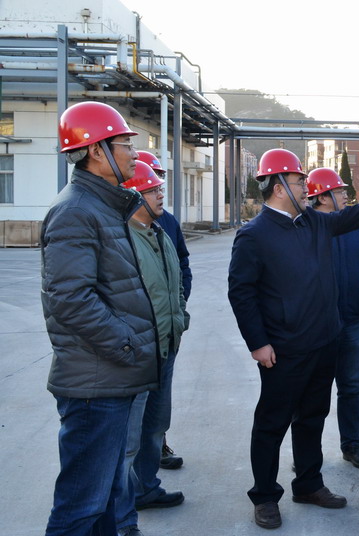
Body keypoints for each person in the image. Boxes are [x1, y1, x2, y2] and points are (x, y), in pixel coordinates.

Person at [227, 148, 359, 530]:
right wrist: (258, 343)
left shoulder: (314, 224)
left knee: (312, 418)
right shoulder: (254, 235)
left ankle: (308, 484)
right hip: (283, 350)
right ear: (278, 186)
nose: (306, 188)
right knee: (272, 424)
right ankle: (265, 496)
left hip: (324, 342)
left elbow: (354, 215)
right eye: (299, 182)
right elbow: (241, 293)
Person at [41, 101, 158, 536]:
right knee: (81, 507)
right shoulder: (75, 211)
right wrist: (129, 344)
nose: (134, 153)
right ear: (96, 151)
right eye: (126, 143)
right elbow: (70, 299)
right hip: (95, 384)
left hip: (111, 377)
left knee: (106, 498)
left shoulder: (105, 205)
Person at [114, 161, 189, 536]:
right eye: (154, 190)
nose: (162, 195)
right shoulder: (122, 240)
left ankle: (146, 488)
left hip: (166, 347)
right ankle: (121, 514)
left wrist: (180, 317)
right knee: (128, 439)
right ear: (134, 197)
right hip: (139, 352)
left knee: (156, 425)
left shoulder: (160, 232)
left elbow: (177, 280)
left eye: (160, 188)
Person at [301, 167, 359, 470]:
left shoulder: (356, 230)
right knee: (312, 391)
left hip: (351, 321)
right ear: (323, 197)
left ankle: (352, 445)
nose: (345, 196)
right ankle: (306, 454)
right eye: (339, 191)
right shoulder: (305, 229)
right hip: (316, 326)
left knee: (351, 386)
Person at [136, 150, 191, 471]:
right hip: (142, 340)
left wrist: (178, 312)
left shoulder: (166, 223)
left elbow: (181, 266)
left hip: (167, 330)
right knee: (137, 412)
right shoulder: (123, 230)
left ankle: (156, 452)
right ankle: (139, 478)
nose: (159, 189)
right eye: (152, 183)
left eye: (159, 181)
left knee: (159, 405)